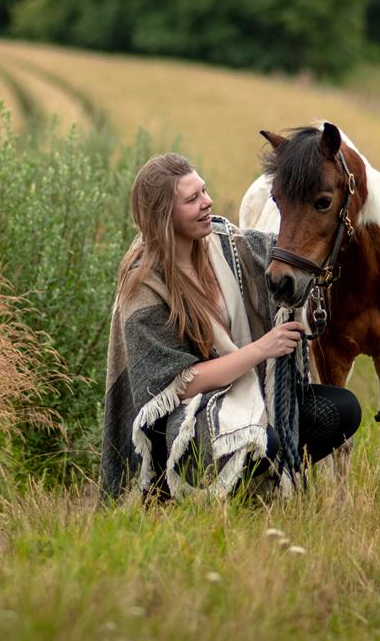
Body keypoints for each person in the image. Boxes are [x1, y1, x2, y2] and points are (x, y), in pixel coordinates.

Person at [100, 153, 361, 503]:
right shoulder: (144, 285)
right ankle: (189, 488)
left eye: (204, 191)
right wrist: (262, 349)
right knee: (260, 440)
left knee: (343, 409)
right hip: (184, 417)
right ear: (164, 216)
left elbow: (288, 252)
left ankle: (246, 482)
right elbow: (176, 386)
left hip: (247, 392)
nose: (207, 202)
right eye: (192, 200)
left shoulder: (225, 244)